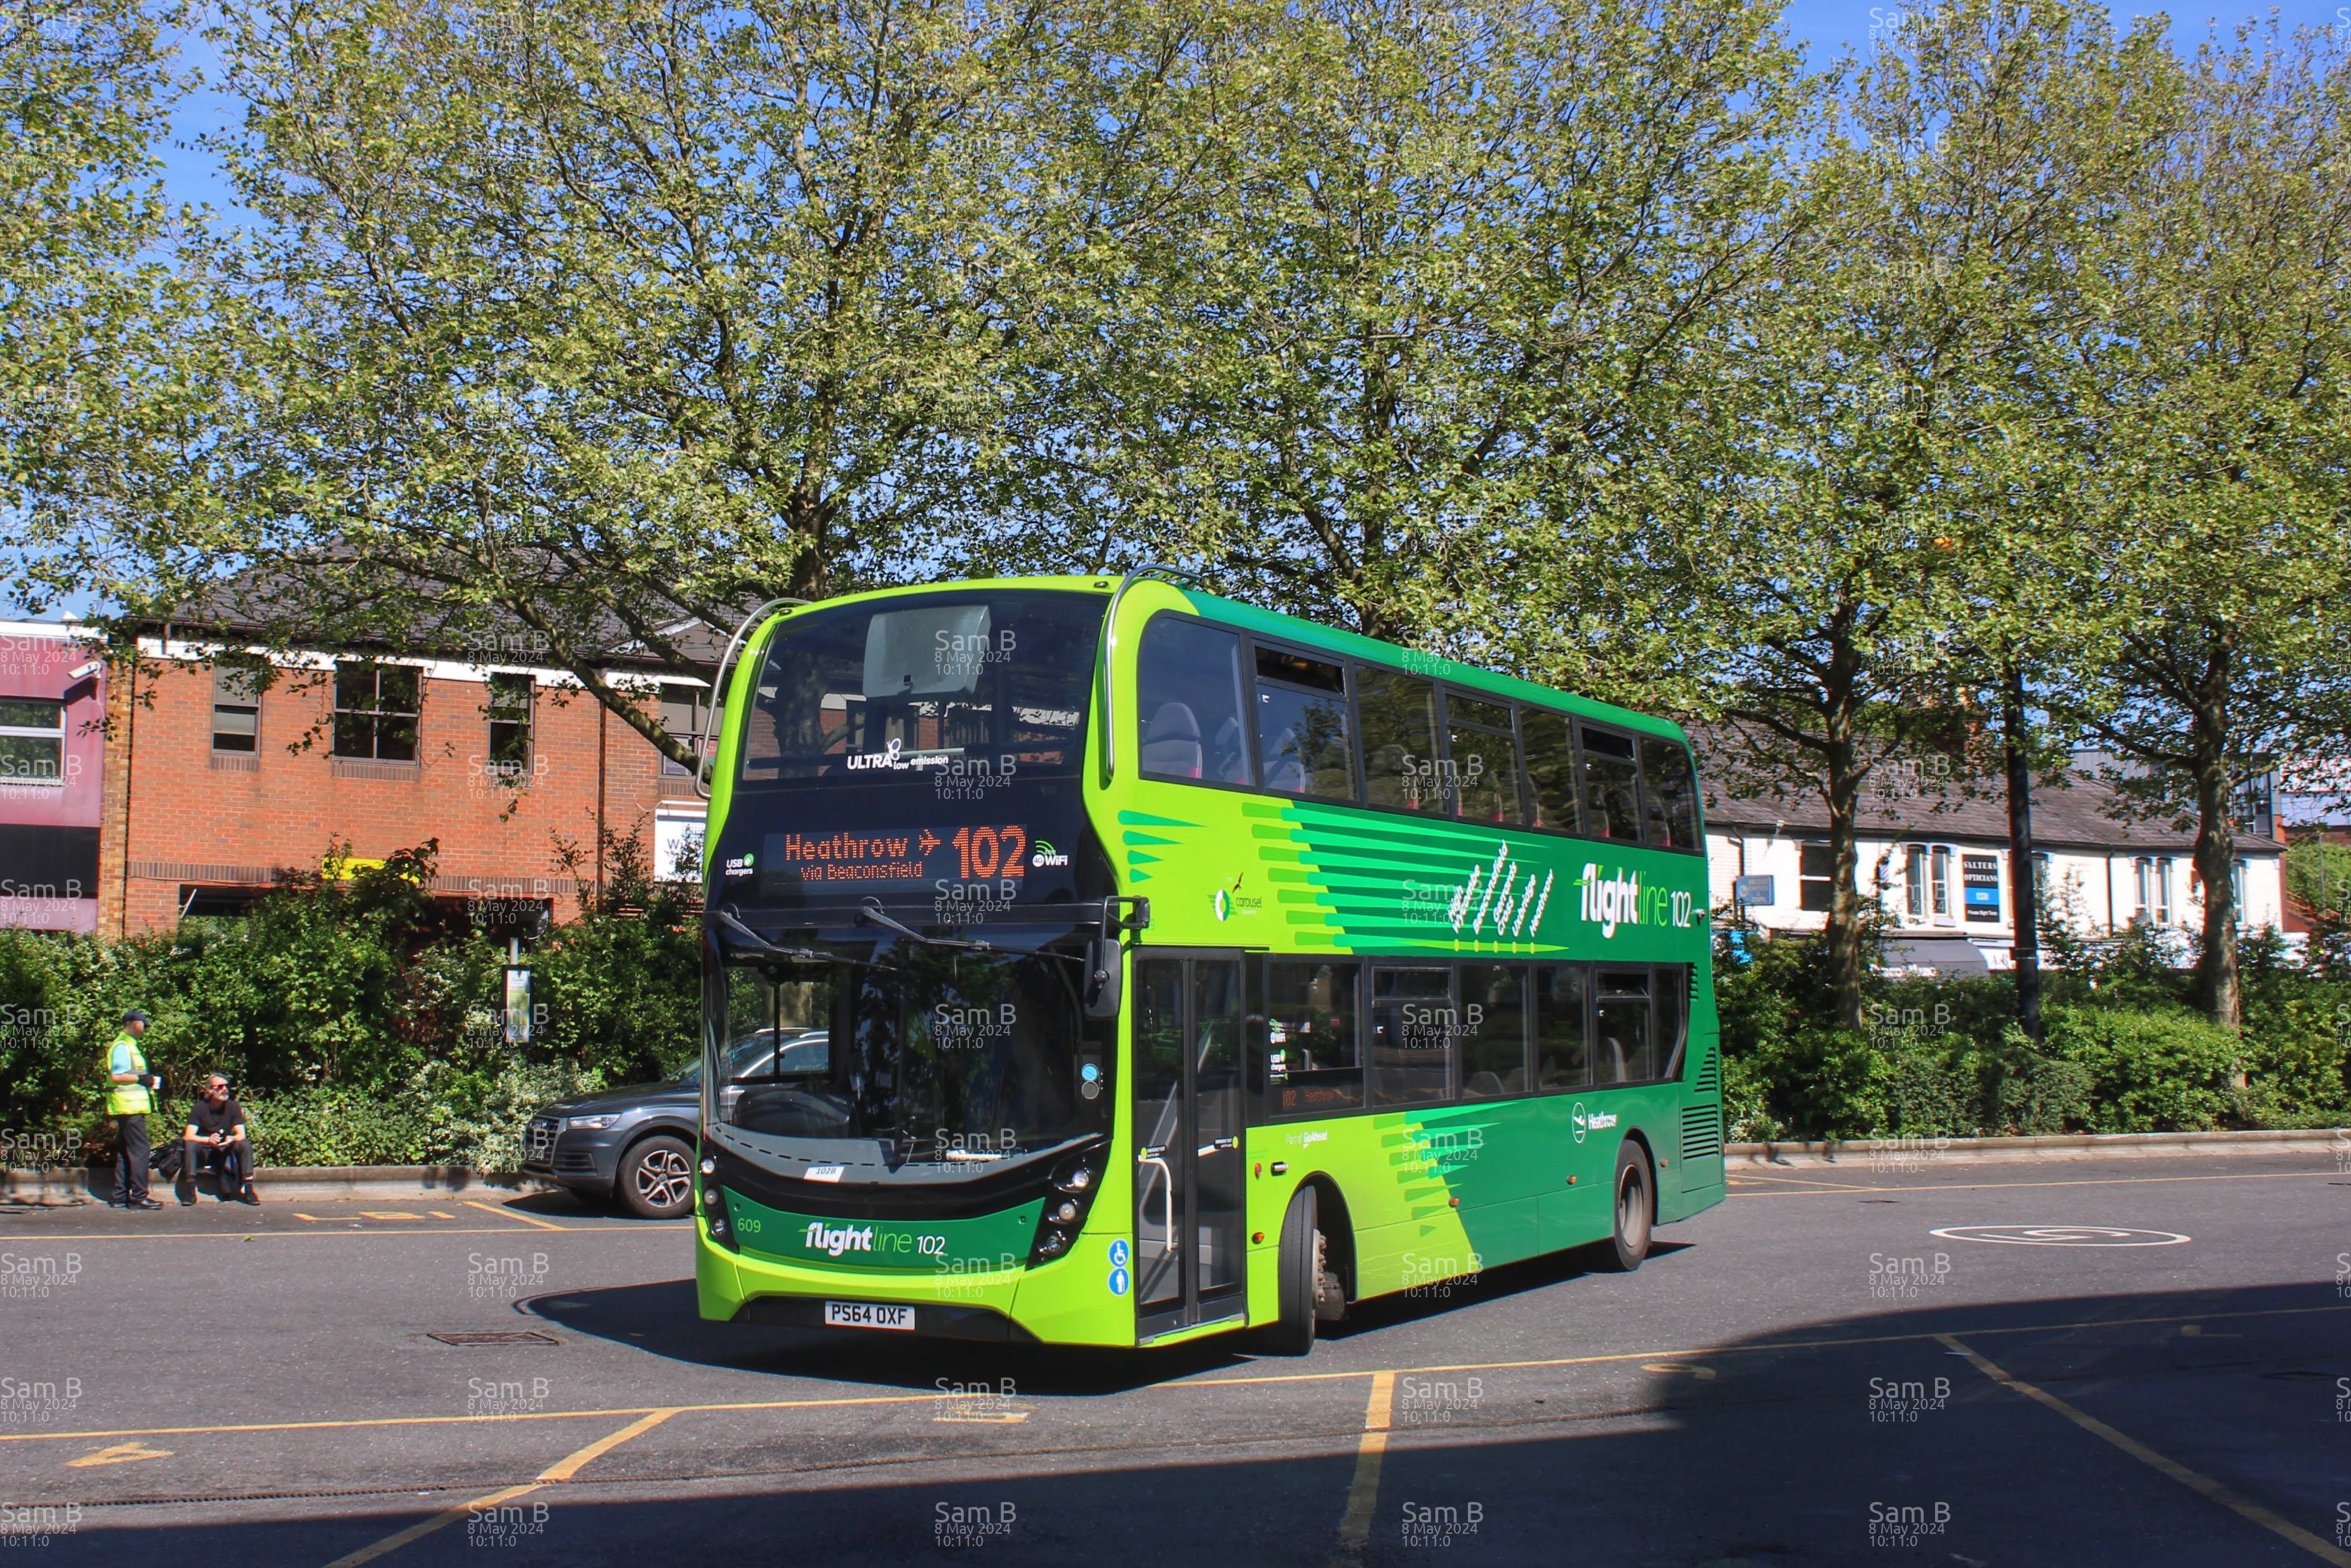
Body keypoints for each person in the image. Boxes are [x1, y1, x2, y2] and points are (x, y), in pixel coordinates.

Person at [104, 1010, 164, 1210]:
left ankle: (119, 1196)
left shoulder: (129, 1045)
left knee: (125, 1151)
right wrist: (142, 1079)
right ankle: (139, 1196)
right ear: (133, 1023)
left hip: (126, 1106)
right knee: (140, 1150)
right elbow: (117, 1076)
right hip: (129, 1107)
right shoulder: (123, 1046)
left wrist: (144, 1080)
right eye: (143, 1025)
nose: (145, 1029)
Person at [180, 1074, 258, 1206]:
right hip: (205, 1148)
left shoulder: (233, 1106)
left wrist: (232, 1138)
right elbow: (188, 1135)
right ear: (209, 1090)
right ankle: (190, 1191)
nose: (225, 1089)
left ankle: (249, 1190)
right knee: (190, 1145)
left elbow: (241, 1134)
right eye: (220, 1087)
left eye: (227, 1086)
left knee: (245, 1145)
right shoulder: (200, 1108)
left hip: (225, 1147)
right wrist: (208, 1140)